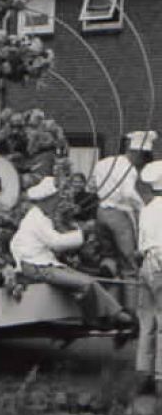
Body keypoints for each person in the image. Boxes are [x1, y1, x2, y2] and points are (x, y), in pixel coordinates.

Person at [10, 176, 133, 328]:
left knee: (88, 280)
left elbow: (17, 242)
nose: (57, 203)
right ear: (46, 200)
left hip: (42, 263)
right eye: (55, 199)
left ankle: (115, 313)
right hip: (37, 266)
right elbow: (56, 243)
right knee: (86, 283)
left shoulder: (39, 216)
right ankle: (96, 319)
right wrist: (83, 233)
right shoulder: (36, 219)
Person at [90, 131, 157, 307]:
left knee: (108, 258)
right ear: (138, 154)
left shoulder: (103, 163)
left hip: (101, 211)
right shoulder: (129, 168)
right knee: (129, 266)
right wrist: (142, 207)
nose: (141, 164)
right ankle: (131, 312)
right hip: (119, 215)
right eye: (143, 159)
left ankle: (109, 308)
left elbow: (93, 186)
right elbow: (128, 193)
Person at [135, 161, 162, 394]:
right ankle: (161, 377)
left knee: (147, 321)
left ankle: (143, 373)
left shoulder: (146, 208)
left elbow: (141, 243)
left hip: (146, 262)